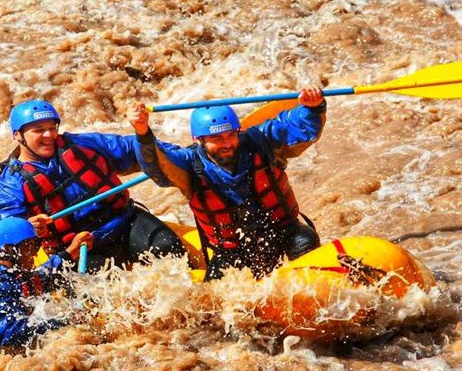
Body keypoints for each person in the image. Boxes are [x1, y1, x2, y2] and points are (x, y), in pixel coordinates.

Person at [127, 88, 327, 280]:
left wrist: (312, 108)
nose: (227, 144)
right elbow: (158, 164)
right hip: (231, 250)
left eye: (231, 135)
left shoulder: (260, 142)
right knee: (217, 296)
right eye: (217, 138)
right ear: (199, 140)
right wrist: (143, 133)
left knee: (305, 240)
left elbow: (292, 126)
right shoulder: (188, 166)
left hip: (285, 233)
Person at [0, 99, 184, 271]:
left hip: (126, 222)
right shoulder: (10, 184)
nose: (49, 134)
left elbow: (132, 148)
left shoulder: (83, 144)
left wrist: (180, 155)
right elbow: (3, 235)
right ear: (18, 135)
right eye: (39, 130)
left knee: (169, 247)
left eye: (52, 127)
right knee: (109, 286)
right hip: (77, 249)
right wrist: (26, 227)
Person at [0, 217, 91, 350]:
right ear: (8, 250)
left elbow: (39, 278)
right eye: (32, 245)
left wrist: (70, 252)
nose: (35, 253)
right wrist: (65, 322)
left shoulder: (4, 274)